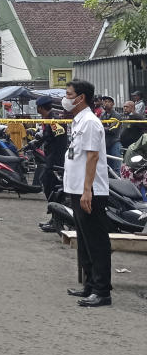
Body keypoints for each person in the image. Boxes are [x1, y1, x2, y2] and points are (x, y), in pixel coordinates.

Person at [62, 80, 113, 307]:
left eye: (69, 94)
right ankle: (90, 285)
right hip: (77, 188)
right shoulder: (78, 120)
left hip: (89, 191)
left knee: (96, 241)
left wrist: (86, 190)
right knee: (84, 240)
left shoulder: (91, 122)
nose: (66, 98)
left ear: (80, 97)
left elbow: (92, 157)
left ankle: (102, 291)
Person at [35, 96, 70, 233]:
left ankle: (57, 219)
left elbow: (59, 138)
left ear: (41, 107)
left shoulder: (54, 119)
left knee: (52, 186)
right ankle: (55, 218)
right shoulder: (48, 118)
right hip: (50, 156)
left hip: (56, 159)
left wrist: (42, 139)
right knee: (49, 185)